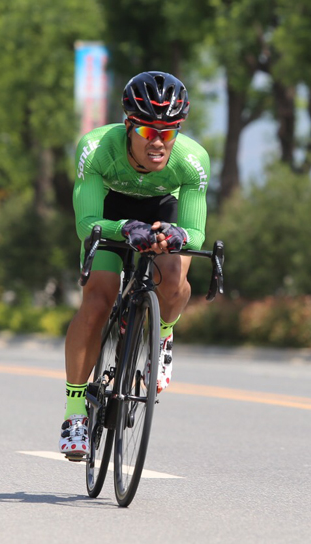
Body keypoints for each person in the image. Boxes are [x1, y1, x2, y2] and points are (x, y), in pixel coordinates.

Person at [60, 71, 210, 460]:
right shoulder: (96, 148)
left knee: (175, 276)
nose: (158, 142)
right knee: (98, 300)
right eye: (147, 133)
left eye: (169, 132)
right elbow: (85, 224)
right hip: (110, 213)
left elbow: (195, 231)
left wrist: (178, 237)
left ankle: (162, 335)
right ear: (129, 126)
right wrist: (123, 228)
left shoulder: (192, 161)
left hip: (162, 208)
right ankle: (75, 413)